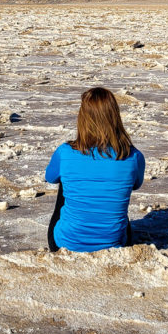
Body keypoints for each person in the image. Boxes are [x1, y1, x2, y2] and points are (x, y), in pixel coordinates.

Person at [45, 87, 145, 252]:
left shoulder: (65, 152)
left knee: (66, 181)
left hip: (65, 244)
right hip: (115, 245)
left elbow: (50, 177)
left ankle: (76, 235)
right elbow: (136, 184)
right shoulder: (133, 156)